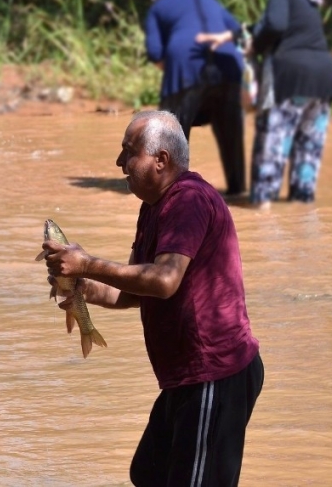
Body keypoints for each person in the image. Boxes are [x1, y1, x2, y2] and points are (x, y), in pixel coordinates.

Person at [42, 111, 264, 486]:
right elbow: (135, 292)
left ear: (161, 160)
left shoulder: (188, 200)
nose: (119, 163)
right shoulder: (154, 207)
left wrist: (87, 262)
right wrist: (84, 287)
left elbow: (164, 281)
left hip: (214, 374)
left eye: (129, 152)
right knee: (147, 474)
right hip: (186, 376)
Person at [144, 0, 247, 196]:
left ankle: (174, 192)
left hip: (185, 65)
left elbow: (154, 52)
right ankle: (237, 188)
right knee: (230, 132)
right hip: (228, 65)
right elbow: (238, 31)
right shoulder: (208, 0)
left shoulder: (159, 7)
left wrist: (177, 80)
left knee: (172, 135)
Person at [245, 0, 332, 208]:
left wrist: (255, 45)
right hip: (323, 80)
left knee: (274, 143)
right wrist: (251, 31)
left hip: (292, 77)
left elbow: (275, 25)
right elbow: (281, 27)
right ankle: (302, 208)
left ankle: (263, 205)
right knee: (309, 149)